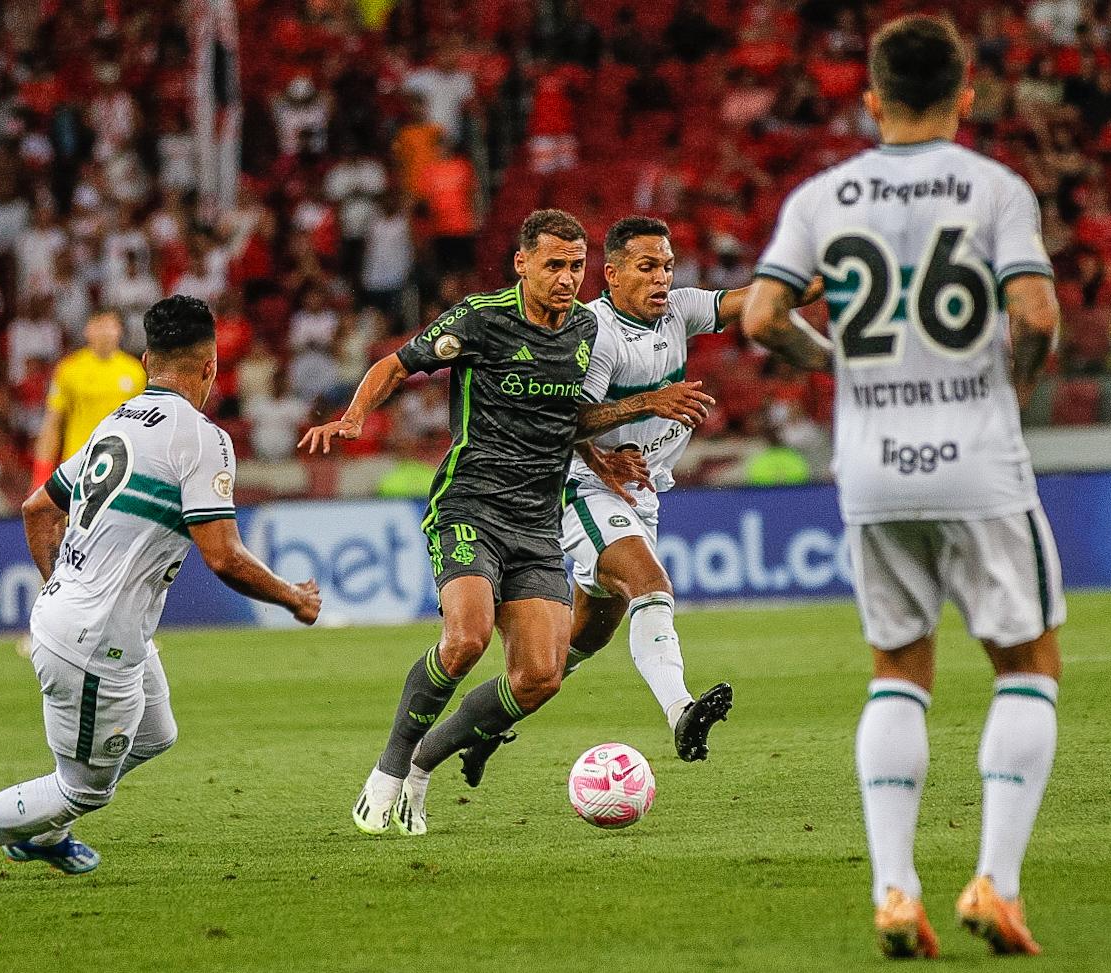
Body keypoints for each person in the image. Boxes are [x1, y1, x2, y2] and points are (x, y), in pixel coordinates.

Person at [743, 16, 1065, 959]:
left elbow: (764, 314)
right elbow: (1036, 313)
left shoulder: (821, 196)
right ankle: (997, 886)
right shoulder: (996, 188)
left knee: (898, 670)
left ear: (872, 99)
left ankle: (894, 889)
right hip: (977, 456)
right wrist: (1015, 384)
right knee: (1025, 664)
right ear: (968, 95)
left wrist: (835, 359)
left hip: (873, 466)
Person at [0, 296, 323, 896]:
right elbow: (222, 556)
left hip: (90, 623)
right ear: (211, 367)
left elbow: (38, 506)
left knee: (156, 732)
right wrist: (292, 598)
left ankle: (38, 833)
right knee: (82, 789)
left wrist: (61, 587)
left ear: (147, 360)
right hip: (95, 641)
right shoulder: (203, 439)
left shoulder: (116, 421)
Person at [300, 209, 713, 837]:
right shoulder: (481, 319)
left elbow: (569, 416)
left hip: (537, 519)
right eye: (553, 265)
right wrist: (354, 417)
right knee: (466, 638)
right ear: (522, 263)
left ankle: (423, 765)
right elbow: (396, 364)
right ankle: (386, 772)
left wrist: (604, 458)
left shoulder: (581, 330)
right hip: (471, 503)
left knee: (541, 676)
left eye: (576, 267)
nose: (567, 279)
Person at [484, 215, 819, 776]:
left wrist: (828, 273)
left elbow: (758, 298)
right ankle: (681, 711)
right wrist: (647, 404)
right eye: (648, 267)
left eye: (667, 266)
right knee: (651, 583)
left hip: (640, 492)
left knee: (576, 646)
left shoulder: (679, 310)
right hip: (581, 484)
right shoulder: (594, 332)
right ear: (612, 274)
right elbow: (558, 420)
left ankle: (487, 720)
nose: (662, 277)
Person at [30, 311, 146, 487]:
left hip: (122, 465)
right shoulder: (68, 370)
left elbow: (143, 426)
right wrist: (40, 476)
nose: (105, 332)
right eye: (98, 325)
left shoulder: (135, 372)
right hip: (78, 465)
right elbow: (52, 424)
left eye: (110, 325)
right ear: (87, 330)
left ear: (120, 330)